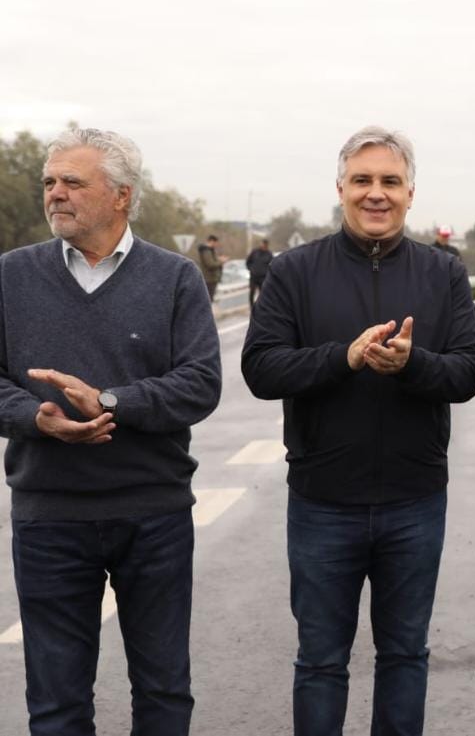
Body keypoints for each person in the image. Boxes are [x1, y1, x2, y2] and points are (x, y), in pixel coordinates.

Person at [241, 125, 475, 736]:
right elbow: (260, 367)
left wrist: (412, 365)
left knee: (405, 655)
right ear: (341, 189)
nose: (376, 194)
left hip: (415, 499)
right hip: (323, 501)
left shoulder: (442, 272)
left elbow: (468, 373)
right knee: (321, 661)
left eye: (390, 182)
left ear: (409, 193)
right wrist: (341, 359)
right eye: (363, 181)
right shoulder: (295, 271)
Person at [0, 127, 222, 736]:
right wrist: (37, 418)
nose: (56, 194)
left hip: (154, 514)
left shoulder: (175, 278)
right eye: (49, 182)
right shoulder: (10, 276)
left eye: (73, 181)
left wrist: (110, 401)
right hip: (49, 516)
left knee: (163, 692)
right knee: (56, 703)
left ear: (121, 196)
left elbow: (201, 384)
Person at [196, 233, 227, 300]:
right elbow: (210, 264)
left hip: (211, 278)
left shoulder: (209, 251)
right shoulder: (206, 251)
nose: (216, 245)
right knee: (208, 299)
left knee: (209, 298)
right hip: (209, 278)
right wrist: (221, 262)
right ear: (212, 241)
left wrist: (218, 259)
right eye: (216, 243)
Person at [246, 238, 274, 310]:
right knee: (252, 292)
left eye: (265, 244)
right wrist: (251, 269)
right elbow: (248, 262)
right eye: (262, 244)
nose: (263, 246)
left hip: (263, 277)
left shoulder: (269, 254)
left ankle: (262, 307)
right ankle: (252, 307)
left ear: (267, 245)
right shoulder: (254, 252)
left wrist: (267, 273)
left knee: (262, 293)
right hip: (254, 276)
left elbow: (272, 266)